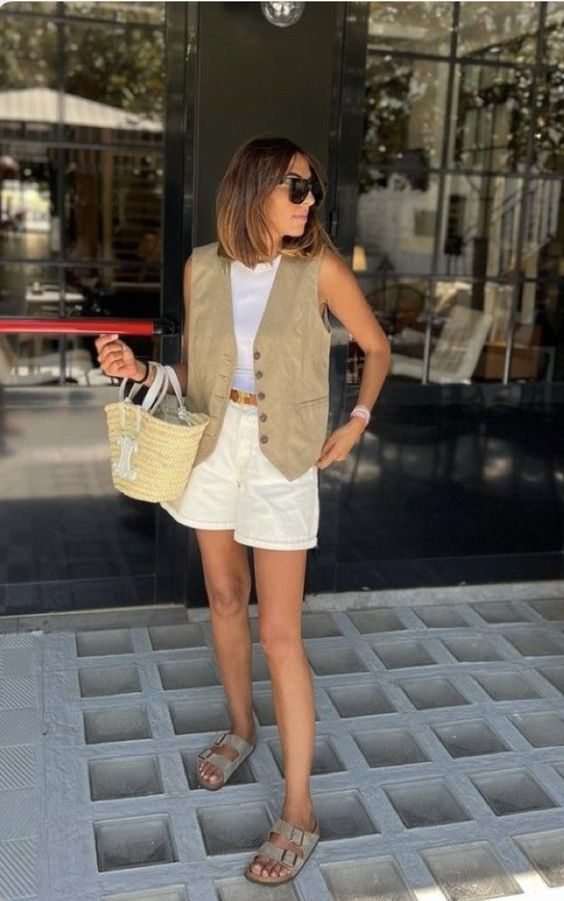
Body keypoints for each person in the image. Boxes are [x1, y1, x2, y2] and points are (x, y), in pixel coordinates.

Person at [95, 136, 390, 886]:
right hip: (214, 443)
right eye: (296, 187)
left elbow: (376, 346)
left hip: (283, 453)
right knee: (225, 598)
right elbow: (196, 372)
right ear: (254, 187)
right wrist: (142, 370)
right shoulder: (203, 267)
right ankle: (241, 725)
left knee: (280, 632)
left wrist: (356, 421)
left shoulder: (319, 268)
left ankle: (300, 807)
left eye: (312, 188)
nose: (309, 201)